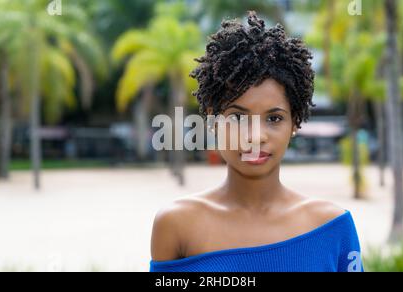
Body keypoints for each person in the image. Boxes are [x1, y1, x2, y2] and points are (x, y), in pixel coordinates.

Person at [149, 11, 363, 272]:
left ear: (295, 123)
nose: (256, 136)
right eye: (238, 118)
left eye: (274, 118)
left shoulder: (332, 227)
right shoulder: (176, 225)